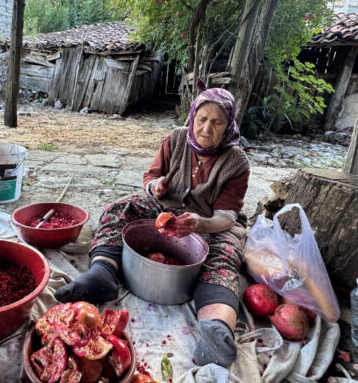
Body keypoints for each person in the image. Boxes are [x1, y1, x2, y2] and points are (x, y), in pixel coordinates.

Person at [55, 83, 250, 369]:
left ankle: (216, 329)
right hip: (165, 206)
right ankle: (103, 273)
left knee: (225, 254)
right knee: (120, 208)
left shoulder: (236, 162)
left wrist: (200, 224)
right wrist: (155, 187)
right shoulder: (175, 139)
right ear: (192, 116)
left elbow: (227, 217)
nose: (207, 128)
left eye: (217, 122)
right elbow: (151, 176)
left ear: (228, 125)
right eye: (202, 119)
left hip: (209, 221)